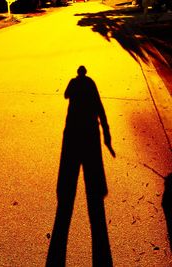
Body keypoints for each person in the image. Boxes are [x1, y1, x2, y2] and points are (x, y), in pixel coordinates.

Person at [46, 66, 115, 267]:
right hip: (91, 133)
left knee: (69, 167)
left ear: (78, 72)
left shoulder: (74, 83)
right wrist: (107, 135)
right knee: (92, 170)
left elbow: (66, 95)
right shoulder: (91, 84)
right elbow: (100, 108)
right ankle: (94, 193)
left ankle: (66, 194)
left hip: (73, 132)